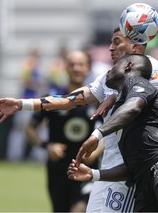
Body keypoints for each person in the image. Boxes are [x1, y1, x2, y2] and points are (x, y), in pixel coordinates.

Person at [0, 27, 158, 212]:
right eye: (111, 42)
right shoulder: (107, 80)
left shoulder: (151, 66)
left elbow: (157, 107)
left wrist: (98, 136)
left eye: (117, 42)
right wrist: (22, 104)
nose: (110, 48)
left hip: (129, 167)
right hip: (101, 169)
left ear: (136, 46)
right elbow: (67, 100)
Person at [71, 54, 158, 212]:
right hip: (142, 181)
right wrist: (93, 174)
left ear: (128, 66)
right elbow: (132, 167)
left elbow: (133, 107)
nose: (108, 72)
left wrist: (97, 134)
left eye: (113, 67)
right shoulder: (119, 109)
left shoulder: (138, 83)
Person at [27, 50, 102, 212]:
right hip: (58, 169)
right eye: (72, 64)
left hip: (86, 168)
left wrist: (95, 153)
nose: (76, 68)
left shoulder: (98, 101)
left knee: (79, 208)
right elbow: (30, 129)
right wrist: (47, 146)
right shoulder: (54, 98)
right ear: (65, 68)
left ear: (88, 68)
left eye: (80, 64)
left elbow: (109, 133)